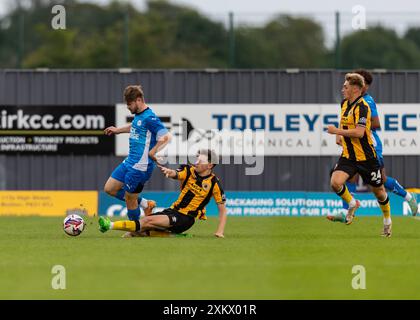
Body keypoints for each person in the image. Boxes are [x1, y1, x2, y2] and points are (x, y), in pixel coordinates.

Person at [332, 69, 418, 220]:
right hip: (354, 144)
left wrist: (359, 124)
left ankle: (407, 197)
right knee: (349, 177)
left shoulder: (367, 102)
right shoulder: (347, 102)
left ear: (363, 87)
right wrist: (341, 132)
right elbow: (344, 119)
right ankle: (346, 210)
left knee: (381, 181)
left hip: (370, 145)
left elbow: (376, 123)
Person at [98, 149, 227, 238]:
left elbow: (222, 209)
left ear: (210, 165)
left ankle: (109, 225)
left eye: (201, 161)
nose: (197, 162)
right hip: (172, 210)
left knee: (146, 221)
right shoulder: (189, 170)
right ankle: (172, 235)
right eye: (197, 159)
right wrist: (169, 172)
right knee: (137, 232)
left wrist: (220, 232)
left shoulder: (214, 183)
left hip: (185, 219)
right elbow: (176, 174)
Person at [327, 73, 393, 237]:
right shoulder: (344, 103)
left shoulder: (363, 107)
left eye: (346, 87)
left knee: (379, 191)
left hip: (367, 158)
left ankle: (387, 220)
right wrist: (339, 136)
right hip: (349, 156)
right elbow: (343, 122)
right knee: (335, 182)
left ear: (355, 89)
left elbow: (359, 132)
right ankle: (352, 203)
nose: (343, 89)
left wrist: (336, 131)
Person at [103, 85, 171, 222]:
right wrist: (117, 130)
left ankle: (136, 230)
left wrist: (153, 151)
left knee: (130, 199)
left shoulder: (150, 117)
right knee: (109, 188)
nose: (128, 107)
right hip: (130, 161)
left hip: (140, 166)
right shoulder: (139, 116)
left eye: (129, 104)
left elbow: (166, 136)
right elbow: (135, 126)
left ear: (138, 100)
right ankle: (145, 204)